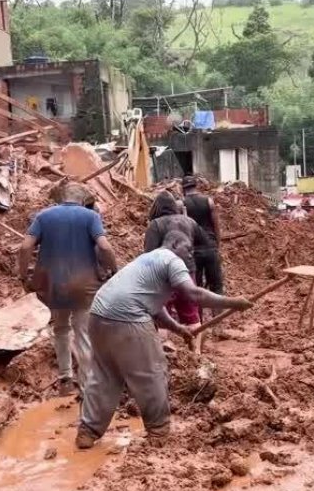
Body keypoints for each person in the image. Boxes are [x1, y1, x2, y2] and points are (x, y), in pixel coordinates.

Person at [76, 231, 252, 448]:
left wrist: (178, 329)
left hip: (98, 316)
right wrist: (233, 302)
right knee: (151, 372)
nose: (190, 256)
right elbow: (193, 294)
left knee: (105, 375)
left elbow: (156, 307)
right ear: (175, 243)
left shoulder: (147, 259)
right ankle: (158, 431)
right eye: (188, 250)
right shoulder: (171, 260)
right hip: (128, 318)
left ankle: (88, 431)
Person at [18, 182, 118, 396]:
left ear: (61, 198)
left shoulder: (43, 216)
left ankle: (65, 380)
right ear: (82, 200)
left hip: (52, 284)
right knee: (83, 332)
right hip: (84, 284)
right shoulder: (90, 217)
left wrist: (23, 275)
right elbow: (104, 246)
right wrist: (114, 269)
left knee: (61, 329)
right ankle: (86, 388)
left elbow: (26, 247)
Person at [144, 191, 210, 330]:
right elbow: (205, 243)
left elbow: (149, 255)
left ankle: (165, 348)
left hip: (164, 276)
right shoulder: (189, 222)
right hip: (186, 273)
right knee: (191, 314)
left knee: (163, 317)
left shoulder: (155, 225)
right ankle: (196, 350)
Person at [182, 175, 224, 295]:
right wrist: (217, 245)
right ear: (196, 186)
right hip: (210, 247)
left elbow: (182, 229)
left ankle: (198, 314)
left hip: (194, 251)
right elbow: (216, 226)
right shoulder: (208, 201)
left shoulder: (182, 204)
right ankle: (219, 314)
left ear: (183, 189)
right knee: (216, 287)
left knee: (197, 289)